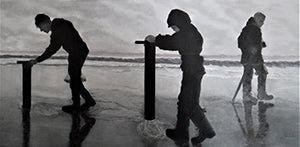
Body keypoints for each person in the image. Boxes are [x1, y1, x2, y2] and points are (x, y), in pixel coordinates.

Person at [146, 9, 215, 146]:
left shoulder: (187, 34)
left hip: (192, 72)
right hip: (194, 71)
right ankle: (201, 131)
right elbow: (176, 40)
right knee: (189, 104)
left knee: (185, 103)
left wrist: (155, 40)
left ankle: (184, 134)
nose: (173, 29)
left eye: (173, 26)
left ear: (179, 22)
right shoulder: (191, 32)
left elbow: (172, 42)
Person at [29, 14, 96, 112]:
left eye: (40, 27)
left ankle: (87, 101)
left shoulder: (58, 28)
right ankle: (78, 104)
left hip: (78, 52)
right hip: (76, 52)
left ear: (45, 22)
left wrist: (37, 60)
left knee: (75, 79)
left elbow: (52, 49)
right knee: (74, 79)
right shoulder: (59, 26)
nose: (41, 30)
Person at [237, 12, 273, 104]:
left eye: (263, 21)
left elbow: (253, 41)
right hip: (250, 57)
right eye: (261, 21)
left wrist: (260, 44)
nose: (262, 23)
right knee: (251, 74)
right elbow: (241, 42)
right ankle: (248, 95)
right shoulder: (251, 28)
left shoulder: (252, 28)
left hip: (253, 56)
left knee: (259, 73)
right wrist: (250, 49)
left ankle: (258, 94)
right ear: (256, 19)